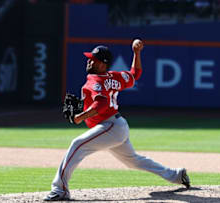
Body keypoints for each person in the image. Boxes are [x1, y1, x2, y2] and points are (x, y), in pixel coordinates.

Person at [43, 39, 190, 201]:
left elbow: (102, 102)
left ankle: (60, 189)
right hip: (116, 126)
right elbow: (135, 74)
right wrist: (136, 53)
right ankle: (176, 175)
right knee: (133, 161)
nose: (89, 60)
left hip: (109, 126)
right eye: (90, 58)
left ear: (102, 64)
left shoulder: (95, 80)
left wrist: (79, 117)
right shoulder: (115, 77)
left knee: (77, 145)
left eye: (94, 59)